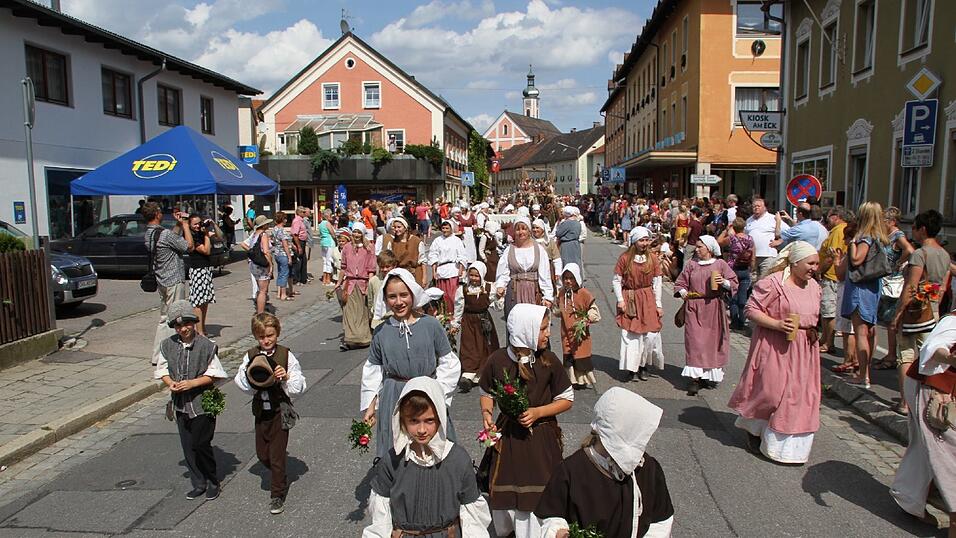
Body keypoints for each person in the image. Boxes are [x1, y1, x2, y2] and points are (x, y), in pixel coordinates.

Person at [478, 304, 573, 538]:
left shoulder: (548, 360)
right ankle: (508, 532)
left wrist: (539, 412)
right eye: (542, 329)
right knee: (506, 493)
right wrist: (487, 416)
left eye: (547, 328)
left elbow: (567, 398)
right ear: (525, 330)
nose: (548, 333)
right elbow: (486, 392)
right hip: (508, 435)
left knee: (540, 492)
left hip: (540, 437)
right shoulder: (497, 360)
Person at [535, 387, 675, 538]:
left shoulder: (648, 468)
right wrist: (560, 532)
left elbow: (661, 520)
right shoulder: (572, 470)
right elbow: (551, 515)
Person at [728, 242, 822, 464]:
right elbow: (751, 310)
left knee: (798, 397)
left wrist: (812, 331)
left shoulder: (814, 286)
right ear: (795, 262)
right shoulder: (773, 283)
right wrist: (777, 324)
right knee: (771, 392)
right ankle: (754, 428)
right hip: (774, 343)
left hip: (804, 348)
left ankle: (785, 449)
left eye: (816, 264)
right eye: (810, 263)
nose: (814, 268)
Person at [364, 377, 492, 537]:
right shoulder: (392, 460)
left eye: (429, 420)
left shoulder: (458, 459)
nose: (422, 429)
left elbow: (473, 518)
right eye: (414, 421)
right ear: (402, 420)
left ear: (440, 418)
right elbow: (380, 519)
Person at [361, 269, 462, 460]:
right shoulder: (381, 331)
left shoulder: (431, 325)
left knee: (430, 442)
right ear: (385, 299)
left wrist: (437, 390)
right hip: (394, 394)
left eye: (403, 295)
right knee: (398, 446)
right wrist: (370, 405)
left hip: (427, 393)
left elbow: (449, 362)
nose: (398, 302)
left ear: (412, 294)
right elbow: (373, 371)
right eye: (392, 297)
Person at [154, 300, 228, 501]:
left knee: (200, 443)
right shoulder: (168, 345)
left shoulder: (206, 346)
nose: (183, 329)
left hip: (202, 403)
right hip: (180, 404)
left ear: (194, 323)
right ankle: (199, 482)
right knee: (187, 446)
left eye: (187, 324)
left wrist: (192, 383)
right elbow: (162, 369)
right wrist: (171, 383)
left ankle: (212, 480)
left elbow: (215, 374)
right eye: (178, 325)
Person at [889, 312, 956, 533]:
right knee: (945, 451)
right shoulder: (953, 321)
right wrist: (951, 359)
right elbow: (933, 348)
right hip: (931, 390)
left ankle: (909, 495)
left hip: (945, 393)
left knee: (924, 448)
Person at [234, 312, 306, 515]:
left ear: (277, 334)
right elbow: (241, 381)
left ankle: (277, 494)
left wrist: (286, 377)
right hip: (261, 412)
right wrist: (251, 379)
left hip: (279, 412)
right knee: (262, 454)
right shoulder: (250, 355)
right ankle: (279, 472)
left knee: (276, 455)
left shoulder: (285, 354)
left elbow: (298, 385)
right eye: (262, 337)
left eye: (270, 336)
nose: (266, 340)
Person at [891, 209, 950, 416]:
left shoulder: (919, 254)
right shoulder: (943, 254)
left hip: (914, 313)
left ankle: (905, 403)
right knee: (929, 357)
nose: (913, 231)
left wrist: (898, 313)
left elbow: (911, 287)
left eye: (914, 227)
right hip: (932, 312)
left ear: (922, 229)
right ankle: (927, 402)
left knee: (905, 355)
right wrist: (934, 307)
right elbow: (942, 288)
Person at [674, 235, 739, 395]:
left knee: (711, 342)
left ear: (709, 249)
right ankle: (695, 379)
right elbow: (681, 282)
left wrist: (724, 282)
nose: (696, 249)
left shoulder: (720, 264)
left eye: (700, 247)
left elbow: (733, 282)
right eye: (696, 246)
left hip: (713, 308)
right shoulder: (691, 264)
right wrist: (682, 291)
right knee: (695, 342)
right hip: (694, 307)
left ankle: (706, 375)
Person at [836, 201, 888, 389]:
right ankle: (865, 372)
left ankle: (863, 375)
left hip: (860, 287)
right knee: (870, 331)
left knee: (861, 332)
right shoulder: (880, 237)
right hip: (873, 286)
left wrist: (851, 245)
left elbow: (857, 259)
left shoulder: (865, 237)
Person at [145, 202, 194, 366]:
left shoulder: (150, 233)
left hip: (161, 279)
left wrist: (178, 224)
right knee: (174, 318)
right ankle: (168, 355)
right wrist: (186, 225)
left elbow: (171, 240)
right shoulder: (164, 234)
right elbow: (188, 246)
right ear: (157, 214)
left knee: (164, 317)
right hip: (174, 279)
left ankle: (157, 355)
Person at [614, 227, 664, 382]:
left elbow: (657, 282)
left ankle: (643, 365)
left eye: (646, 240)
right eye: (641, 240)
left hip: (647, 297)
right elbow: (617, 280)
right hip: (630, 296)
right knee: (631, 334)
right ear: (634, 241)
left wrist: (658, 303)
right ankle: (631, 368)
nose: (644, 243)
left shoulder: (652, 259)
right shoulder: (625, 258)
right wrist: (620, 300)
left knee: (650, 335)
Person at [874, 207, 913, 371]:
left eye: (884, 221)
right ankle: (890, 354)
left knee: (890, 321)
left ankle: (891, 355)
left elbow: (910, 250)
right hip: (884, 278)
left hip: (893, 281)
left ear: (892, 221)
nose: (882, 223)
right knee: (883, 318)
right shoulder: (886, 236)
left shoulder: (898, 235)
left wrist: (898, 263)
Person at [495, 216, 555, 319]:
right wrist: (500, 285)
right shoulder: (509, 250)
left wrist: (548, 296)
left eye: (524, 228)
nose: (520, 232)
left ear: (529, 230)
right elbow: (503, 272)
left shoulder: (539, 250)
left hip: (534, 291)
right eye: (518, 229)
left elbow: (545, 275)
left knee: (533, 325)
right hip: (514, 292)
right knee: (514, 325)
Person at [454, 261, 499, 393]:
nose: (473, 278)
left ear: (482, 275)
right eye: (471, 275)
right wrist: (456, 323)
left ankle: (485, 373)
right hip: (469, 322)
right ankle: (468, 375)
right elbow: (459, 307)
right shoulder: (463, 290)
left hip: (484, 321)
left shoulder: (489, 289)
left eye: (476, 276)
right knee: (469, 346)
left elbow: (496, 306)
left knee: (486, 347)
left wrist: (499, 297)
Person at [557, 263, 599, 390]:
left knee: (581, 355)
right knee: (568, 355)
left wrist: (588, 318)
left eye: (571, 278)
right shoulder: (562, 293)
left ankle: (582, 380)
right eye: (565, 278)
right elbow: (559, 310)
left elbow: (593, 309)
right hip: (566, 331)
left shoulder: (584, 293)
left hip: (580, 332)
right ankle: (572, 380)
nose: (568, 281)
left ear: (577, 278)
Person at [337, 224, 378, 351]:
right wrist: (339, 282)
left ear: (363, 234)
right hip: (349, 283)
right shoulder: (347, 248)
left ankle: (363, 338)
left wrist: (370, 285)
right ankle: (349, 338)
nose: (356, 235)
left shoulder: (369, 248)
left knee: (362, 311)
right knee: (348, 311)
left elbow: (371, 268)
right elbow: (343, 267)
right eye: (354, 232)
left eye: (359, 232)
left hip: (363, 283)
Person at [818, 206, 849, 355]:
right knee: (829, 311)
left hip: (832, 276)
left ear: (836, 217)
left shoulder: (838, 231)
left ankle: (828, 342)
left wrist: (819, 271)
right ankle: (826, 339)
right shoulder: (840, 230)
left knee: (828, 311)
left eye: (828, 217)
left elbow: (832, 256)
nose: (826, 220)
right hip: (835, 275)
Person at [186, 214, 220, 337]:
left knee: (205, 302)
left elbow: (220, 237)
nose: (197, 226)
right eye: (194, 224)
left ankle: (202, 329)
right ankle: (199, 332)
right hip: (197, 270)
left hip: (205, 269)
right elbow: (206, 250)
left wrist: (213, 225)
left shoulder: (201, 233)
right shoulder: (192, 237)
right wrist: (206, 235)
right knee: (198, 303)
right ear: (189, 225)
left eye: (199, 223)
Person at [719, 217, 755, 330]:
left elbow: (718, 242)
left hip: (732, 269)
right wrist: (751, 268)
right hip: (745, 269)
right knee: (743, 296)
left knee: (733, 295)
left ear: (734, 227)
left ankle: (734, 321)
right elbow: (753, 255)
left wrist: (725, 230)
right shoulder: (750, 239)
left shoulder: (732, 238)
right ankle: (742, 321)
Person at [428, 220, 467, 313]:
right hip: (441, 270)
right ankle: (443, 314)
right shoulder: (437, 240)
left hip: (453, 270)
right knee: (442, 295)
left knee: (452, 295)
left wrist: (461, 269)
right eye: (443, 228)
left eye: (447, 228)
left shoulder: (456, 240)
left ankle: (454, 313)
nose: (445, 230)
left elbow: (461, 255)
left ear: (451, 229)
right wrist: (434, 272)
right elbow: (433, 256)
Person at [376, 218, 427, 286]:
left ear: (405, 228)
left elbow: (422, 261)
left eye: (399, 227)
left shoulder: (416, 241)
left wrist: (424, 277)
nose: (396, 229)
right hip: (398, 275)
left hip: (414, 274)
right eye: (395, 227)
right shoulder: (392, 242)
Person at [745, 197, 788, 278]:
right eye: (754, 206)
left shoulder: (773, 218)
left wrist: (780, 241)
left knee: (766, 281)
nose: (756, 208)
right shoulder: (749, 220)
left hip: (768, 256)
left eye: (758, 206)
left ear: (765, 208)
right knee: (753, 284)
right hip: (753, 257)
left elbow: (789, 232)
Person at [241, 216, 274, 314]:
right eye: (267, 223)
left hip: (253, 263)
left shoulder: (254, 234)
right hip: (261, 264)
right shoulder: (263, 235)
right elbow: (266, 251)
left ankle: (260, 308)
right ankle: (260, 313)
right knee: (263, 290)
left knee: (260, 288)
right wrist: (270, 265)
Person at [367, 250, 398, 330]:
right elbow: (370, 300)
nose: (384, 269)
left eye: (387, 267)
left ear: (394, 266)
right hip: (378, 320)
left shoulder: (399, 280)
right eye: (382, 267)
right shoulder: (374, 281)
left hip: (395, 317)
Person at [532, 219, 562, 287]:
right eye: (533, 228)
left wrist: (557, 272)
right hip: (534, 270)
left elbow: (556, 257)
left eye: (537, 228)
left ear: (542, 229)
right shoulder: (530, 242)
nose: (535, 230)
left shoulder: (549, 242)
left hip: (548, 268)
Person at [554, 206, 582, 274]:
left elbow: (558, 233)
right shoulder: (578, 223)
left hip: (567, 244)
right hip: (575, 244)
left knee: (566, 261)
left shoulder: (567, 223)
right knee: (575, 261)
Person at [318, 209, 336, 285]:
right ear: (328, 215)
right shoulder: (327, 223)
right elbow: (332, 233)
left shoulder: (321, 223)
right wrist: (335, 238)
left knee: (325, 261)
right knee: (329, 261)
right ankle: (328, 280)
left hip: (323, 242)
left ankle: (324, 279)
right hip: (329, 242)